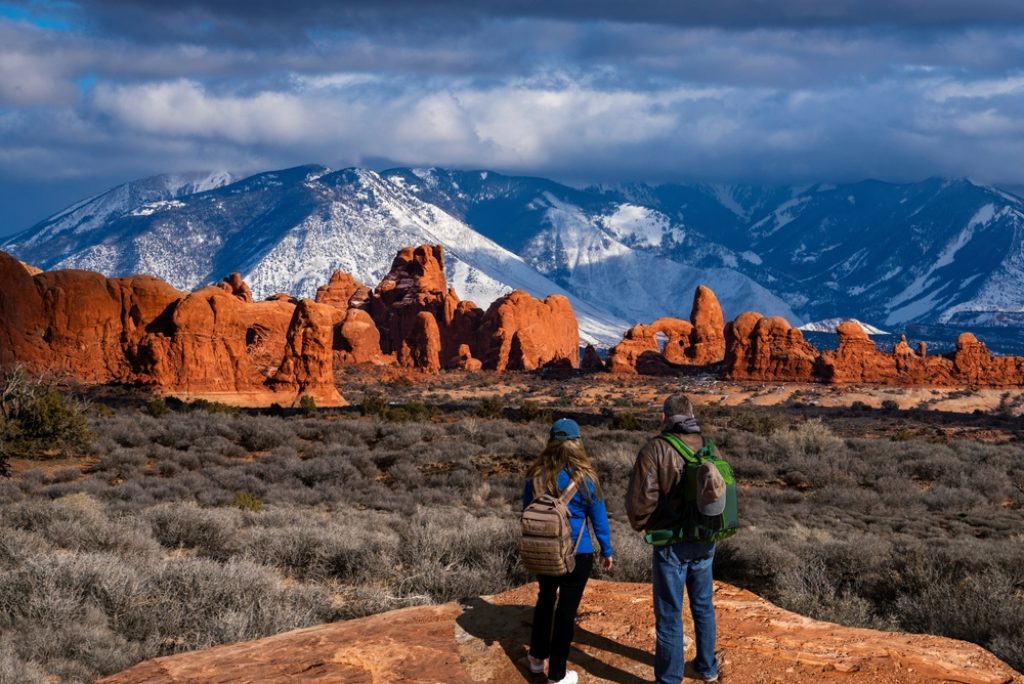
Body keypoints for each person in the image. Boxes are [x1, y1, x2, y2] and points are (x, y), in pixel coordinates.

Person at [625, 394, 724, 684]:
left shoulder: (655, 450)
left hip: (671, 545)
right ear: (691, 416)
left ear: (664, 418)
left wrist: (644, 526)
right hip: (705, 541)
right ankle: (706, 668)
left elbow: (640, 503)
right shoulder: (709, 447)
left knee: (669, 613)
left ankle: (669, 679)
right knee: (703, 606)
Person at [524, 417, 614, 684]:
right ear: (576, 443)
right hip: (578, 553)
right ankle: (558, 675)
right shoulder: (586, 478)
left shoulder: (536, 475)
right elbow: (599, 519)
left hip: (544, 550)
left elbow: (526, 510)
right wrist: (606, 550)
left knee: (544, 600)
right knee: (565, 612)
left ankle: (536, 659)